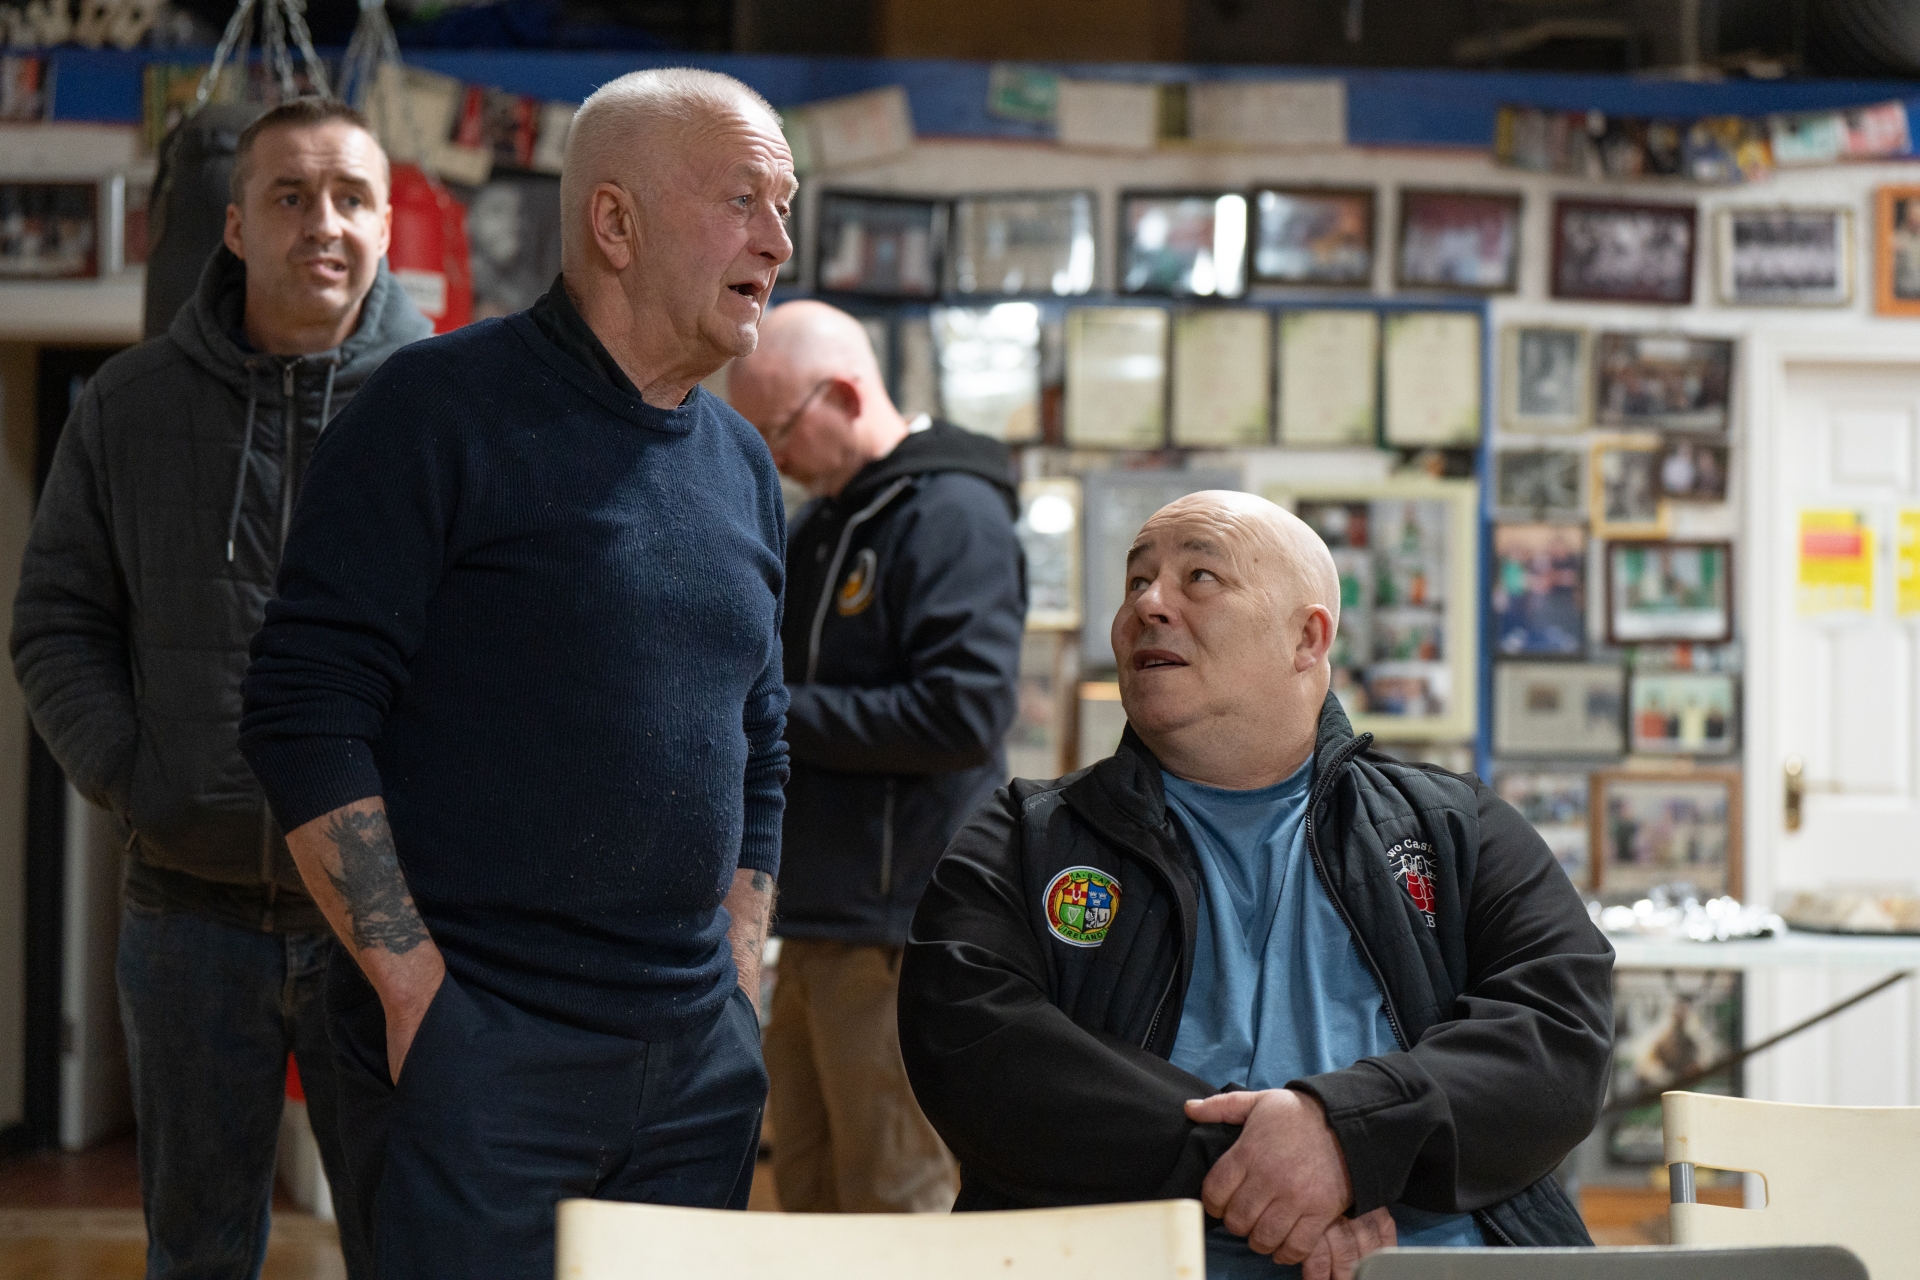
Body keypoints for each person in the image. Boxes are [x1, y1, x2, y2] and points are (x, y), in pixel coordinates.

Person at [236, 67, 793, 1280]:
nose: (778, 242)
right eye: (744, 199)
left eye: (784, 207)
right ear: (615, 222)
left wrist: (737, 977)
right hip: (484, 1049)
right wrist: (414, 992)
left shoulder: (744, 464)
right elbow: (303, 703)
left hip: (694, 1063)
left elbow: (762, 734)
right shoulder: (434, 409)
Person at [898, 491, 1614, 1280]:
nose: (1148, 605)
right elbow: (974, 1050)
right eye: (1136, 581)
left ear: (1307, 638)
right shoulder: (1025, 837)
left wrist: (1348, 1136)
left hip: (1424, 1260)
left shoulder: (1452, 825)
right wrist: (1278, 1166)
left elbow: (1560, 1038)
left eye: (1199, 576)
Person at [10, 98, 428, 1280]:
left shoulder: (452, 403)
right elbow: (55, 621)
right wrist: (139, 778)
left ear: (385, 225)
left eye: (350, 196)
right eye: (290, 195)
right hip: (189, 912)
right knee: (195, 1252)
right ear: (234, 224)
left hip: (390, 919)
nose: (323, 222)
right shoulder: (129, 405)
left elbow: (507, 645)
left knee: (412, 1244)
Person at [726, 300, 1026, 1213]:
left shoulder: (951, 513)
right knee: (807, 1190)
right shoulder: (825, 521)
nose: (773, 457)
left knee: (894, 1201)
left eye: (780, 430)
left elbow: (964, 712)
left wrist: (774, 711)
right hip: (817, 916)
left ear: (848, 396)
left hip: (897, 932)